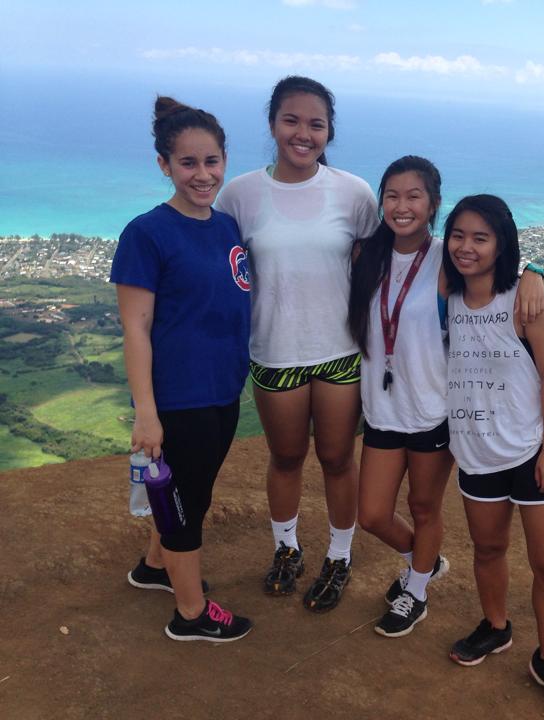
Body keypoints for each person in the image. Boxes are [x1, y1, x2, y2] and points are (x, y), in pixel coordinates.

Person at [217, 76, 380, 612]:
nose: (303, 133)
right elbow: (217, 265)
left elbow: (383, 259)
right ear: (272, 124)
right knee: (285, 457)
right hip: (275, 349)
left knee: (337, 459)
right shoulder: (239, 194)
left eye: (316, 124)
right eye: (292, 120)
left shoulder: (353, 193)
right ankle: (287, 549)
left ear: (329, 131)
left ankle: (339, 554)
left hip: (338, 350)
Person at [113, 96, 253, 642]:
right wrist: (146, 415)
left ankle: (154, 567)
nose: (203, 174)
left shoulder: (225, 227)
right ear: (164, 166)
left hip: (221, 389)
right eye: (188, 163)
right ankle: (191, 614)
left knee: (194, 492)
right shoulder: (147, 233)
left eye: (212, 161)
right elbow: (136, 330)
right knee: (185, 504)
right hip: (178, 396)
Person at [442, 195, 544, 716]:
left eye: (481, 237)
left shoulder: (527, 305)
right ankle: (496, 626)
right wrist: (535, 266)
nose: (466, 246)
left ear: (502, 244)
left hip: (533, 449)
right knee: (487, 551)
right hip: (477, 450)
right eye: (458, 234)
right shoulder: (448, 296)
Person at [348, 156, 453, 637]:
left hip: (432, 410)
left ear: (433, 204)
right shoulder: (365, 255)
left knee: (424, 507)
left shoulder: (446, 259)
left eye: (414, 196)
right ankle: (423, 563)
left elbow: (504, 268)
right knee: (370, 514)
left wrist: (534, 269)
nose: (401, 205)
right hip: (383, 411)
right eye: (392, 195)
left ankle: (416, 591)